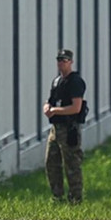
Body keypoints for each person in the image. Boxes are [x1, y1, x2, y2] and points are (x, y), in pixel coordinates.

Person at [43, 48, 87, 204]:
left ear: (71, 62)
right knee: (51, 162)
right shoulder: (57, 81)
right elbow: (50, 100)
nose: (61, 63)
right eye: (59, 60)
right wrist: (47, 107)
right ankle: (57, 196)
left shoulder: (75, 82)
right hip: (55, 128)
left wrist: (55, 110)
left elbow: (76, 107)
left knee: (72, 164)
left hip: (69, 129)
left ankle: (76, 198)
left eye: (65, 60)